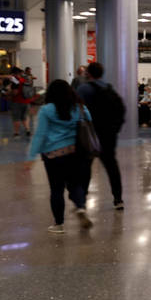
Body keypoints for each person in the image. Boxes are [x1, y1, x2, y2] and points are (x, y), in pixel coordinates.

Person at [28, 79, 93, 234]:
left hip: (53, 155)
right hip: (74, 153)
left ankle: (59, 224)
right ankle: (80, 208)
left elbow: (40, 134)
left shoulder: (46, 110)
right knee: (74, 184)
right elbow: (89, 121)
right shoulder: (79, 107)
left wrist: (31, 156)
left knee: (56, 189)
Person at [77, 62, 125, 210]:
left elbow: (77, 110)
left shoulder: (83, 89)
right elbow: (121, 109)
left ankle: (82, 200)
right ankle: (118, 199)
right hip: (108, 134)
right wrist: (115, 129)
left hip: (89, 134)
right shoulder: (109, 88)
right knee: (111, 166)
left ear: (88, 73)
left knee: (85, 166)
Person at [9, 67, 36, 138]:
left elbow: (15, 92)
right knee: (24, 117)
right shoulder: (25, 80)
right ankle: (27, 130)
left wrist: (9, 93)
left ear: (14, 73)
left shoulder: (15, 81)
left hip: (17, 101)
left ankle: (16, 132)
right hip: (26, 101)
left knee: (16, 118)